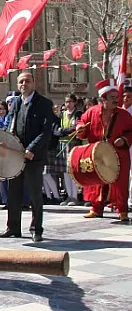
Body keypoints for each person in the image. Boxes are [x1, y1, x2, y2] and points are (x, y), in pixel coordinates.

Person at [0, 72, 54, 242]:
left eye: (27, 81)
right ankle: (13, 227)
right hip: (15, 156)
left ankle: (37, 229)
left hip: (33, 157)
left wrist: (32, 149)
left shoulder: (44, 104)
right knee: (13, 193)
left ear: (34, 83)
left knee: (35, 194)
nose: (24, 84)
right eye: (21, 81)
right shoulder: (15, 103)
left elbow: (46, 132)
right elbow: (10, 124)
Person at [76, 79, 132, 221]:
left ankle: (122, 210)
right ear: (103, 99)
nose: (116, 100)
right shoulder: (92, 112)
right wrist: (80, 129)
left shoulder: (124, 114)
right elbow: (81, 123)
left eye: (117, 97)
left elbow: (131, 131)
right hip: (98, 152)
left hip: (118, 153)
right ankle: (96, 208)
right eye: (112, 98)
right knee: (97, 180)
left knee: (120, 182)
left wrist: (125, 139)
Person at [55, 94, 82, 206]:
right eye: (66, 102)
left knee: (72, 170)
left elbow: (75, 128)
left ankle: (74, 196)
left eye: (70, 101)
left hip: (73, 144)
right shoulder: (62, 114)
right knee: (65, 172)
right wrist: (64, 131)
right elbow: (56, 130)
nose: (68, 104)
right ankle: (68, 195)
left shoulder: (78, 114)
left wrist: (64, 131)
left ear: (75, 102)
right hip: (62, 144)